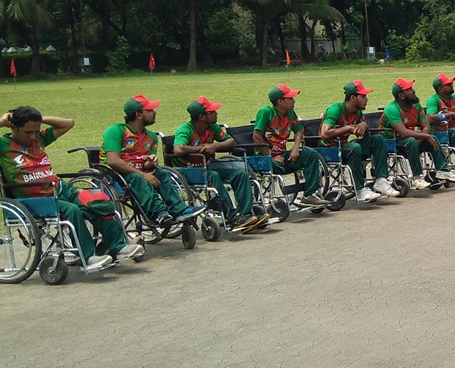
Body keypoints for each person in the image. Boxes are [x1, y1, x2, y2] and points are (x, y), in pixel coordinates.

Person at [1, 107, 143, 269]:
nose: (33, 136)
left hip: (60, 188)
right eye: (28, 132)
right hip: (35, 199)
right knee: (72, 210)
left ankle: (119, 247)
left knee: (98, 200)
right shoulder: (3, 145)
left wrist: (40, 119)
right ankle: (88, 257)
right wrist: (2, 121)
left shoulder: (39, 138)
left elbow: (68, 124)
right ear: (13, 127)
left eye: (36, 130)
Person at [103, 95, 205, 225]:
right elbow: (113, 161)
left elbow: (145, 164)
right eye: (150, 110)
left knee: (161, 173)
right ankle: (158, 213)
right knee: (137, 178)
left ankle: (179, 210)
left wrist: (150, 162)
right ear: (139, 114)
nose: (155, 113)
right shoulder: (116, 131)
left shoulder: (151, 137)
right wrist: (143, 174)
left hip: (140, 172)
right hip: (116, 175)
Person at [172, 97, 268, 232]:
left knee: (240, 173)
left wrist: (215, 145)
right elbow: (179, 149)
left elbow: (231, 142)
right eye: (212, 112)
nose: (216, 113)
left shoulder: (212, 127)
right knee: (214, 175)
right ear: (202, 116)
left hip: (209, 166)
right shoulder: (185, 129)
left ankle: (245, 214)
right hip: (189, 170)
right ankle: (231, 215)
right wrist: (201, 149)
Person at [252, 83, 327, 208]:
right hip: (265, 159)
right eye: (290, 98)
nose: (294, 101)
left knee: (311, 155)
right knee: (276, 162)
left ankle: (309, 195)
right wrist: (270, 158)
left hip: (283, 155)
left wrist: (295, 148)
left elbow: (299, 129)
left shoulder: (290, 113)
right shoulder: (266, 112)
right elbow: (256, 136)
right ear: (280, 101)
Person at [320, 80, 395, 203]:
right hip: (329, 149)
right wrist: (348, 128)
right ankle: (360, 190)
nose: (366, 99)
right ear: (353, 97)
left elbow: (362, 132)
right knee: (354, 147)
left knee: (378, 139)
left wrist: (364, 124)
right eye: (363, 96)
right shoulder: (335, 109)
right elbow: (324, 133)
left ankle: (381, 180)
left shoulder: (358, 112)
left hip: (344, 146)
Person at [382, 77, 455, 189]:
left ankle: (443, 170)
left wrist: (423, 138)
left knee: (431, 138)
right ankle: (417, 177)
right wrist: (425, 136)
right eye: (409, 89)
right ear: (401, 95)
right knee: (412, 141)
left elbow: (426, 126)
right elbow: (403, 132)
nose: (413, 91)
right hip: (391, 142)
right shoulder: (392, 108)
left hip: (411, 140)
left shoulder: (416, 106)